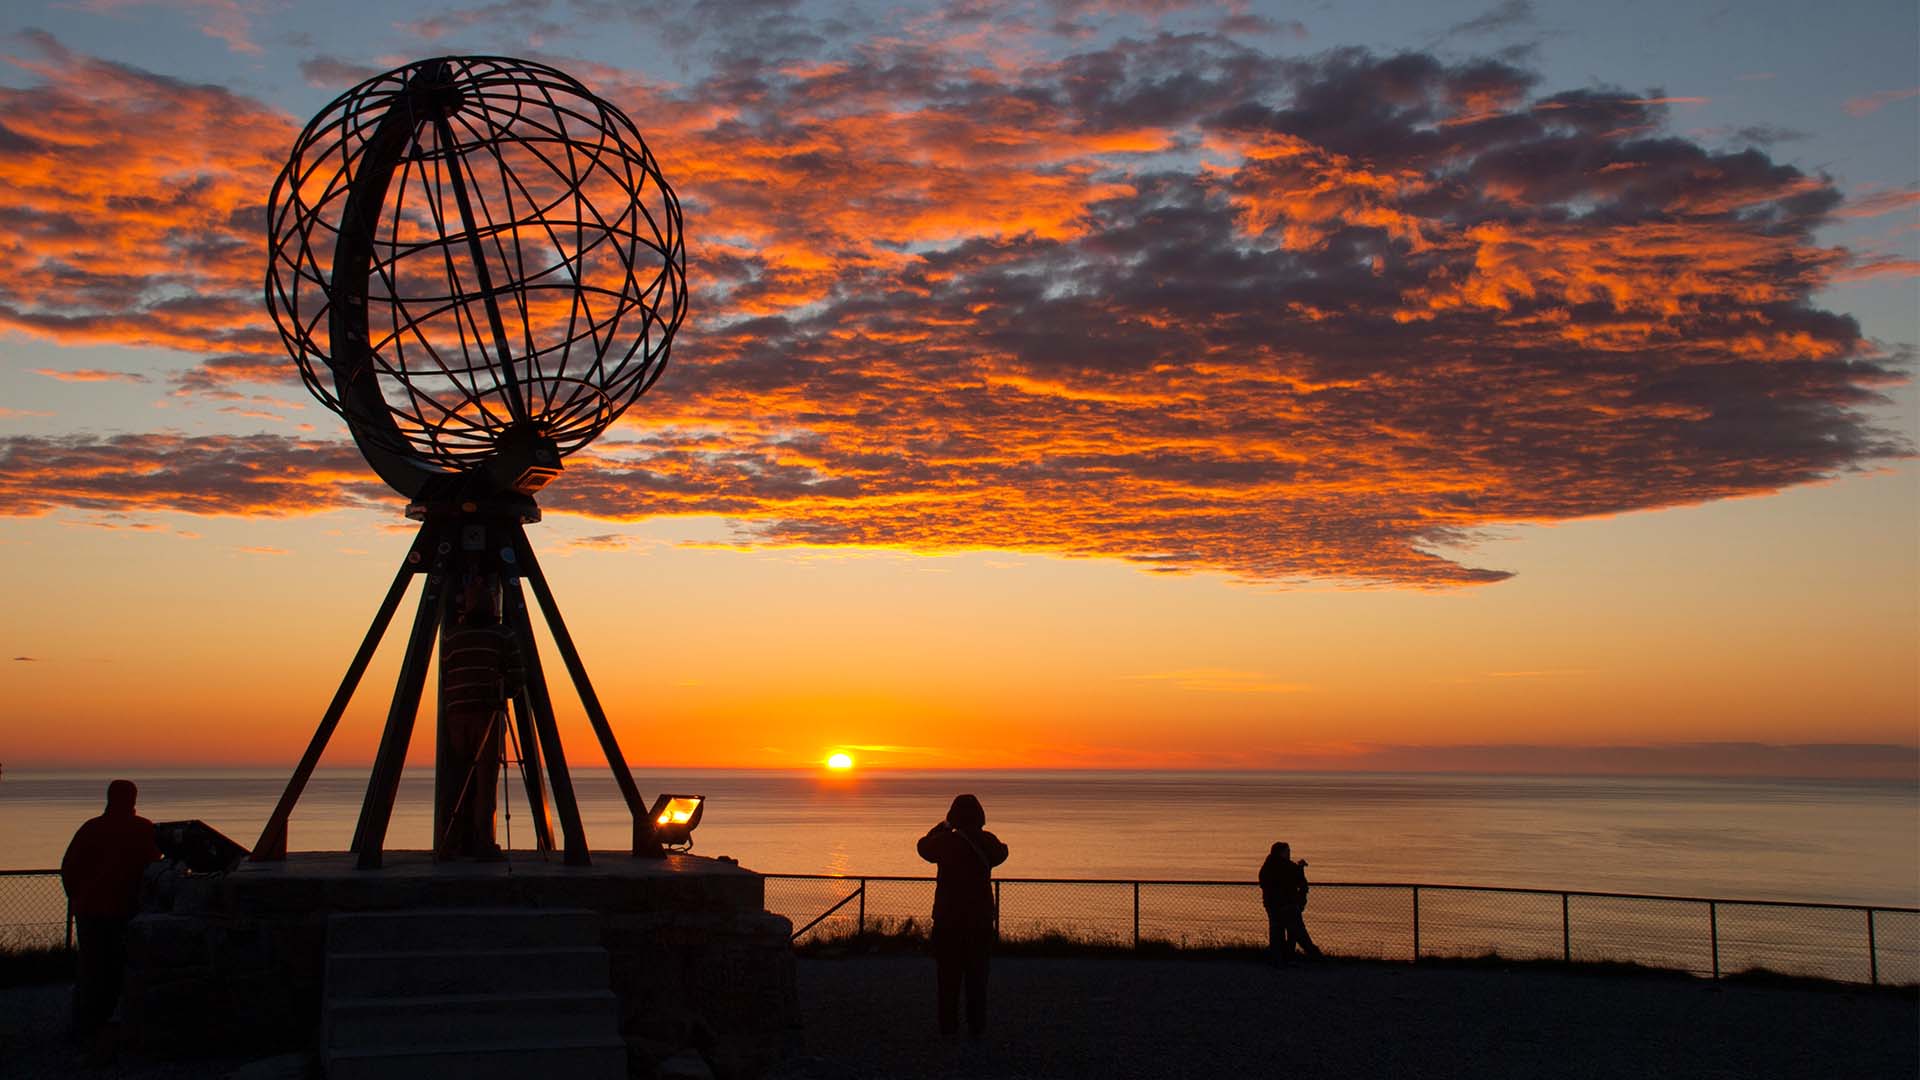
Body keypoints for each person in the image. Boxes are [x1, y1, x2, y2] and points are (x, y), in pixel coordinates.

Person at [60, 779, 161, 1047]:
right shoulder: (142, 829)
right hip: (123, 910)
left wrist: (78, 897)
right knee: (120, 967)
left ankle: (87, 1025)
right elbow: (154, 868)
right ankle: (111, 1024)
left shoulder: (91, 828)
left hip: (90, 910)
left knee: (91, 968)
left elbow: (69, 868)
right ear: (133, 799)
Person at [916, 794, 1008, 1038]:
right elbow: (1002, 853)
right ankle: (976, 1028)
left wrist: (942, 827)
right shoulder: (987, 842)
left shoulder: (945, 843)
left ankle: (948, 1028)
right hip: (980, 921)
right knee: (978, 978)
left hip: (948, 920)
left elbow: (923, 846)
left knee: (947, 979)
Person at [1259, 841, 1321, 964]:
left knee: (1277, 933)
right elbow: (1301, 883)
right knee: (1299, 934)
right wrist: (1300, 869)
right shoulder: (1288, 866)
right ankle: (1317, 958)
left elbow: (1264, 884)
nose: (1289, 853)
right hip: (1288, 905)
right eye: (1287, 851)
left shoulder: (1267, 866)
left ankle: (1279, 959)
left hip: (1272, 905)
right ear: (1281, 852)